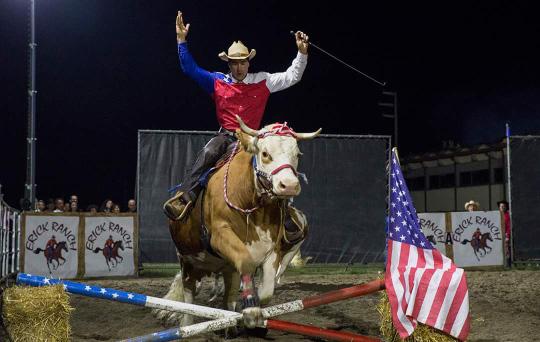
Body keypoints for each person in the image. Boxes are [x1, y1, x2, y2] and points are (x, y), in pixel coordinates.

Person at [164, 11, 309, 228]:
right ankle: (185, 197)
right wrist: (181, 40)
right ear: (229, 64)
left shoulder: (263, 80)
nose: (238, 67)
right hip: (226, 137)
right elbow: (189, 69)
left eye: (242, 62)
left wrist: (301, 53)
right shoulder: (217, 81)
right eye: (234, 63)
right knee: (209, 152)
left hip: (253, 139)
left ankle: (284, 213)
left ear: (248, 62)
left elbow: (292, 76)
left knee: (276, 162)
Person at [498, 200, 512, 265]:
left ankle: (507, 263)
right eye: (501, 206)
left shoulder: (507, 215)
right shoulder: (497, 215)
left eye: (503, 206)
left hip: (505, 234)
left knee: (506, 249)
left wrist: (507, 235)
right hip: (498, 235)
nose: (502, 207)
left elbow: (509, 226)